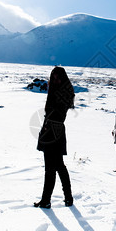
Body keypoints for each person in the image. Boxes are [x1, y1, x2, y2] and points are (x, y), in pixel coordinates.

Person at [34, 66, 75, 209]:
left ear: (63, 78)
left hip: (54, 130)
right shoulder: (55, 91)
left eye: (58, 77)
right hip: (50, 129)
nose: (56, 80)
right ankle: (66, 198)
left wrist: (48, 125)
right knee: (57, 166)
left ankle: (47, 200)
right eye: (54, 77)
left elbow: (59, 113)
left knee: (53, 167)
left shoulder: (65, 91)